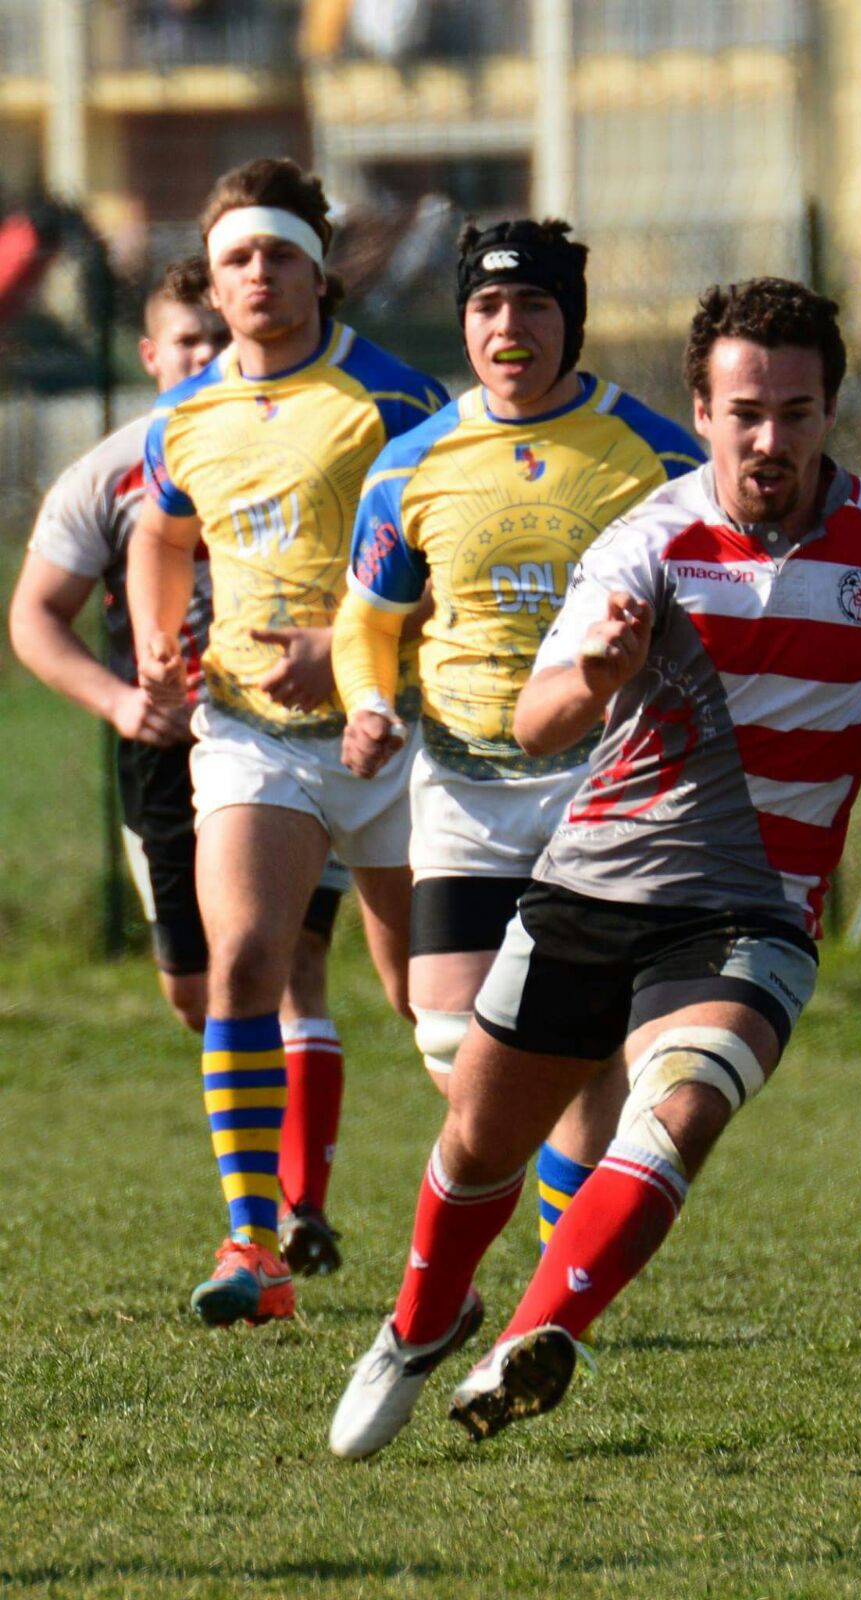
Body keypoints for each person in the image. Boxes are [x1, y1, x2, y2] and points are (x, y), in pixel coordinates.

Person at [328, 276, 861, 1456]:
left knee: (681, 1105)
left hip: (753, 915)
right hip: (594, 886)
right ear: (700, 411)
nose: (770, 439)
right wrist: (592, 674)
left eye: (796, 413)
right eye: (746, 411)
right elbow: (537, 723)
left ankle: (536, 1339)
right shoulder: (645, 542)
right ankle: (415, 1325)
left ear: (830, 411)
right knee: (477, 1147)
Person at [330, 217, 705, 1285]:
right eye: (489, 306)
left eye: (534, 304)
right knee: (452, 1038)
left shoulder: (658, 456)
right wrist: (366, 701)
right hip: (462, 778)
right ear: (464, 320)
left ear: (569, 323)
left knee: (576, 1037)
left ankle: (556, 1277)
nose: (510, 325)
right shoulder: (413, 464)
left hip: (605, 776)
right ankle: (562, 1240)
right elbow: (367, 617)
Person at [126, 159, 449, 1329]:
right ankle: (253, 1244)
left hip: (397, 734)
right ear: (213, 283)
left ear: (320, 266)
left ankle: (512, 1229)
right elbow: (161, 533)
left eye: (277, 253)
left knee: (438, 1011)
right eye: (235, 260)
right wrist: (163, 638)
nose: (257, 275)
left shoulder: (398, 403)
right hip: (252, 732)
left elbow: (451, 564)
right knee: (247, 961)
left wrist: (357, 652)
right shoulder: (187, 412)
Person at [9, 257, 354, 1279]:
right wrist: (122, 699)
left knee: (289, 963)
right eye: (186, 342)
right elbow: (33, 615)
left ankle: (294, 1214)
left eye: (220, 337)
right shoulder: (114, 471)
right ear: (152, 354)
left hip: (293, 733)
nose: (208, 356)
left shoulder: (322, 433)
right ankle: (263, 1195)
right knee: (196, 989)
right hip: (167, 754)